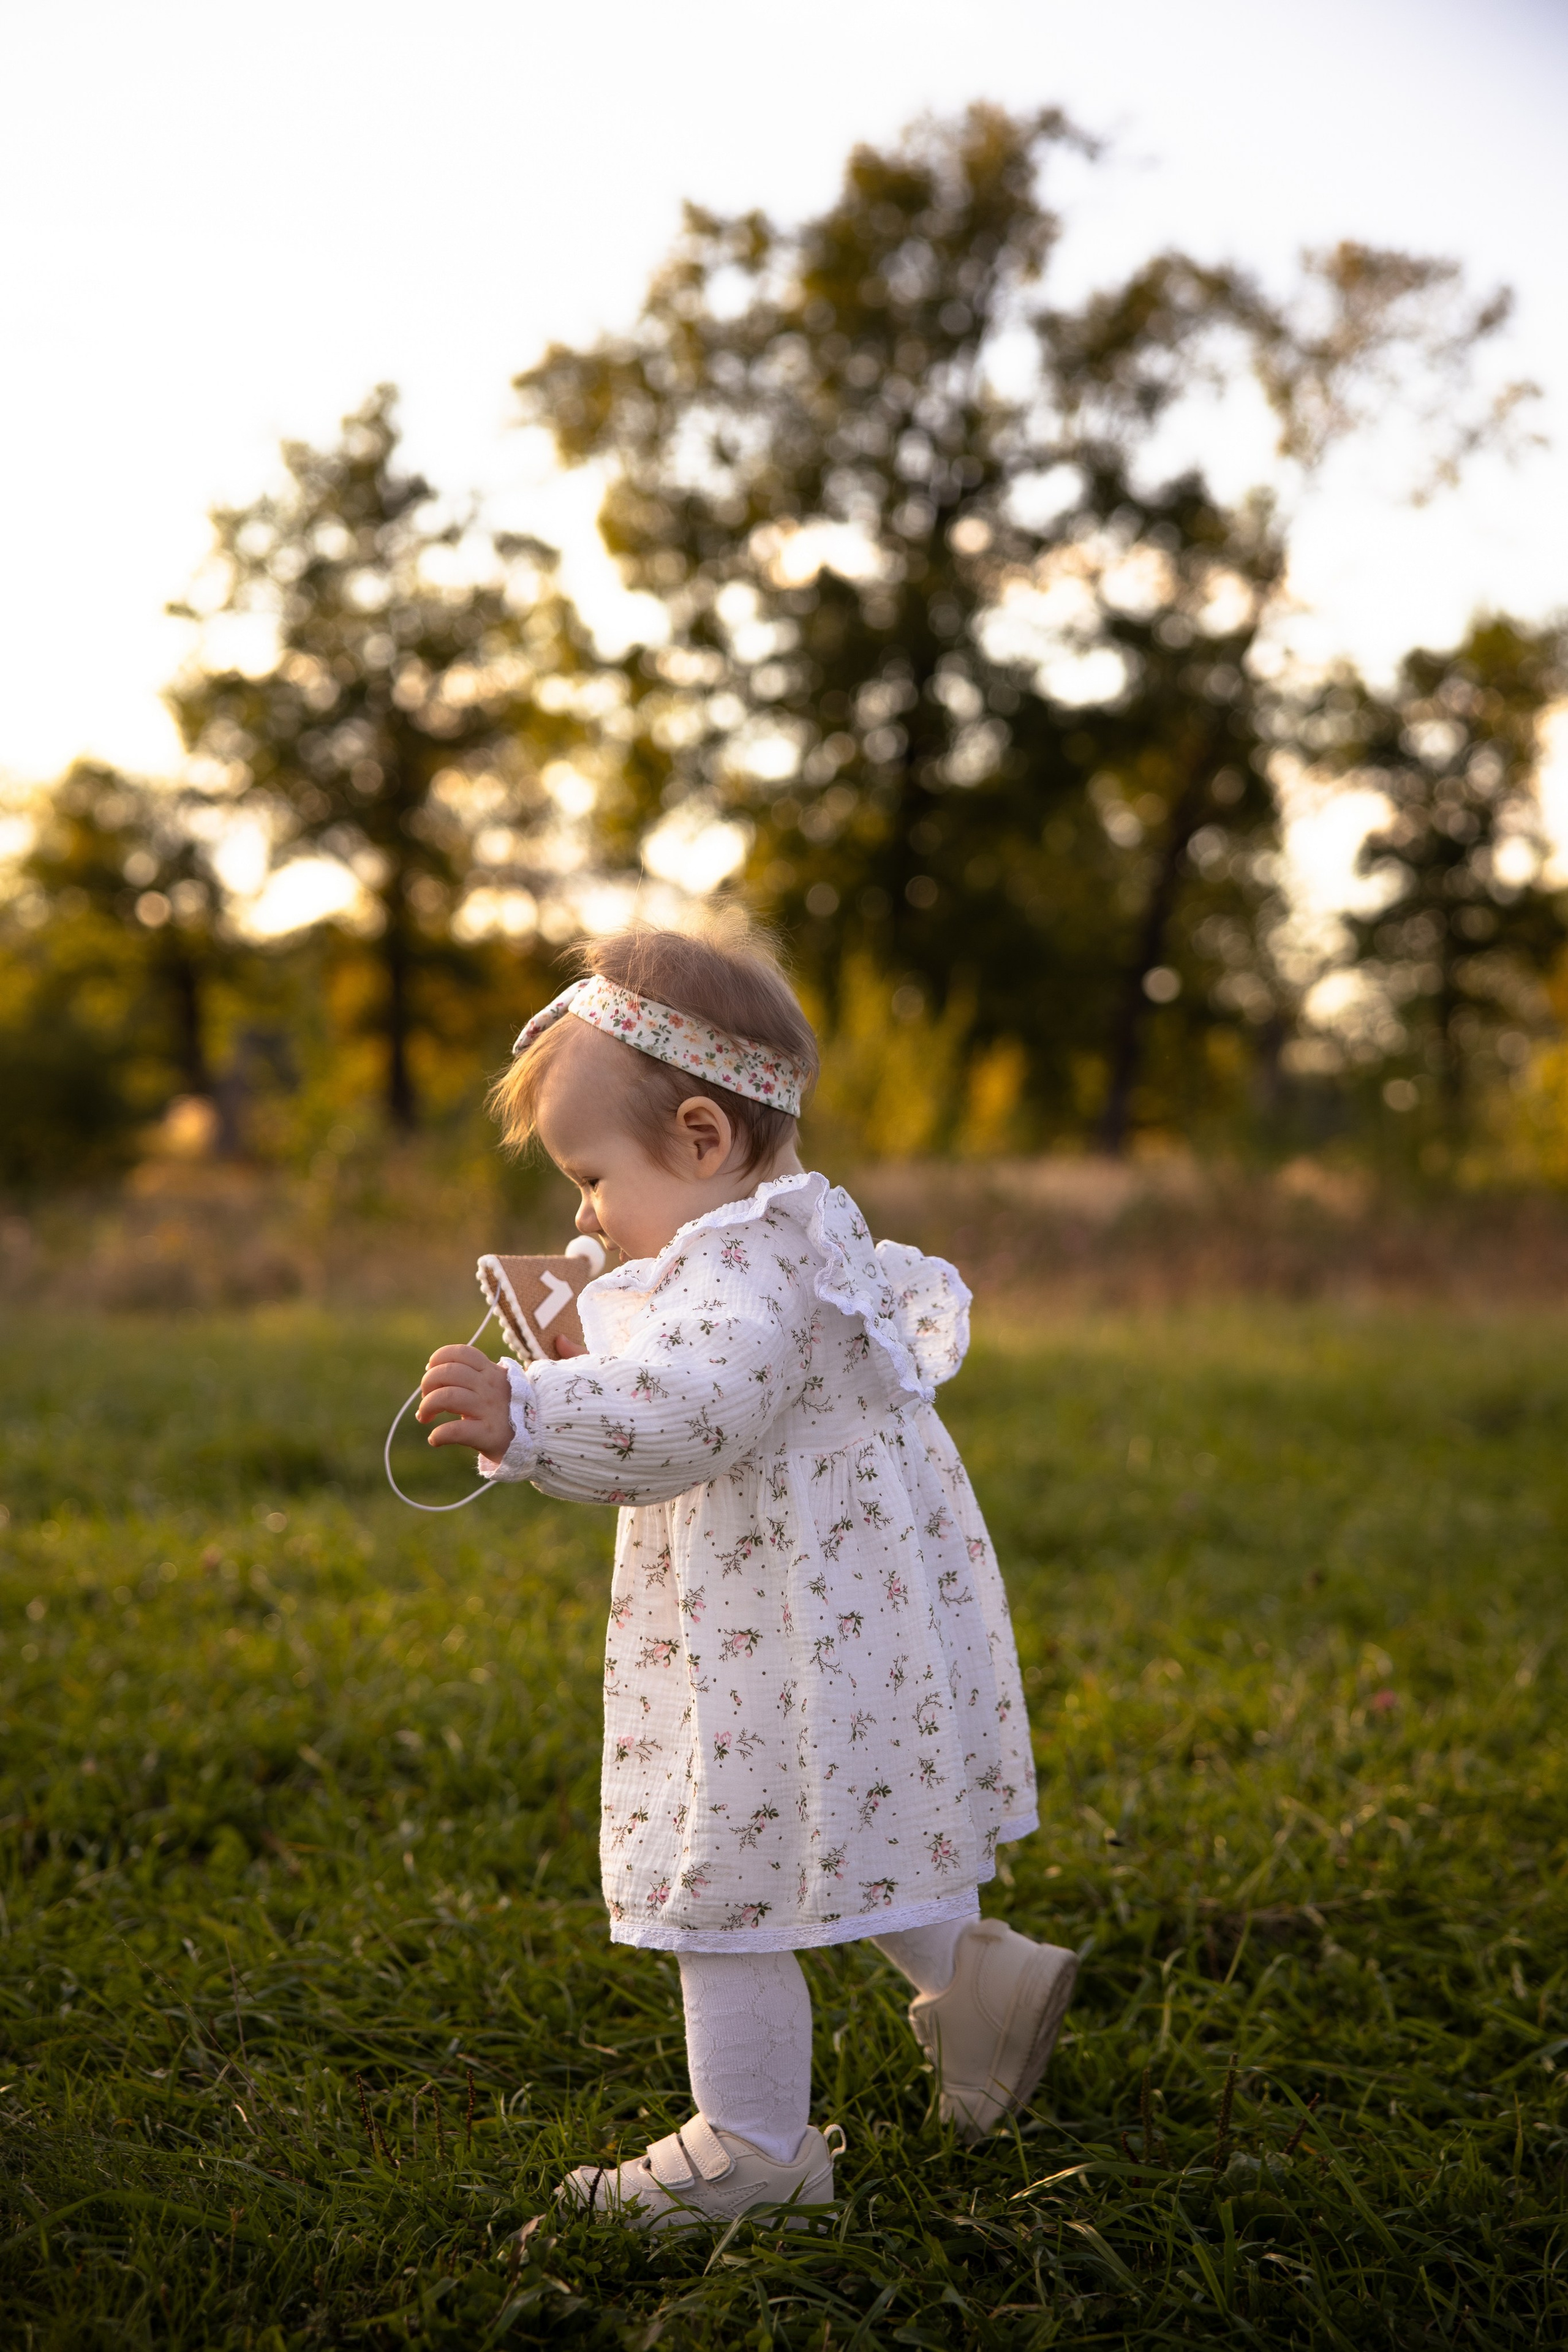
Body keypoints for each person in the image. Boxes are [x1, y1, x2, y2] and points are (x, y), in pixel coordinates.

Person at [417, 918, 1076, 2229]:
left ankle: (755, 2149)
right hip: (834, 1621)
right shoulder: (789, 1234)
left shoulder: (738, 1277)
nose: (582, 1213)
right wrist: (576, 1346)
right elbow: (677, 1367)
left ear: (704, 1140)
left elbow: (690, 1409)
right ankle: (976, 1984)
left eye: (592, 1175)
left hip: (769, 1635)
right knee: (837, 1811)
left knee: (723, 1873)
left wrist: (530, 1414)